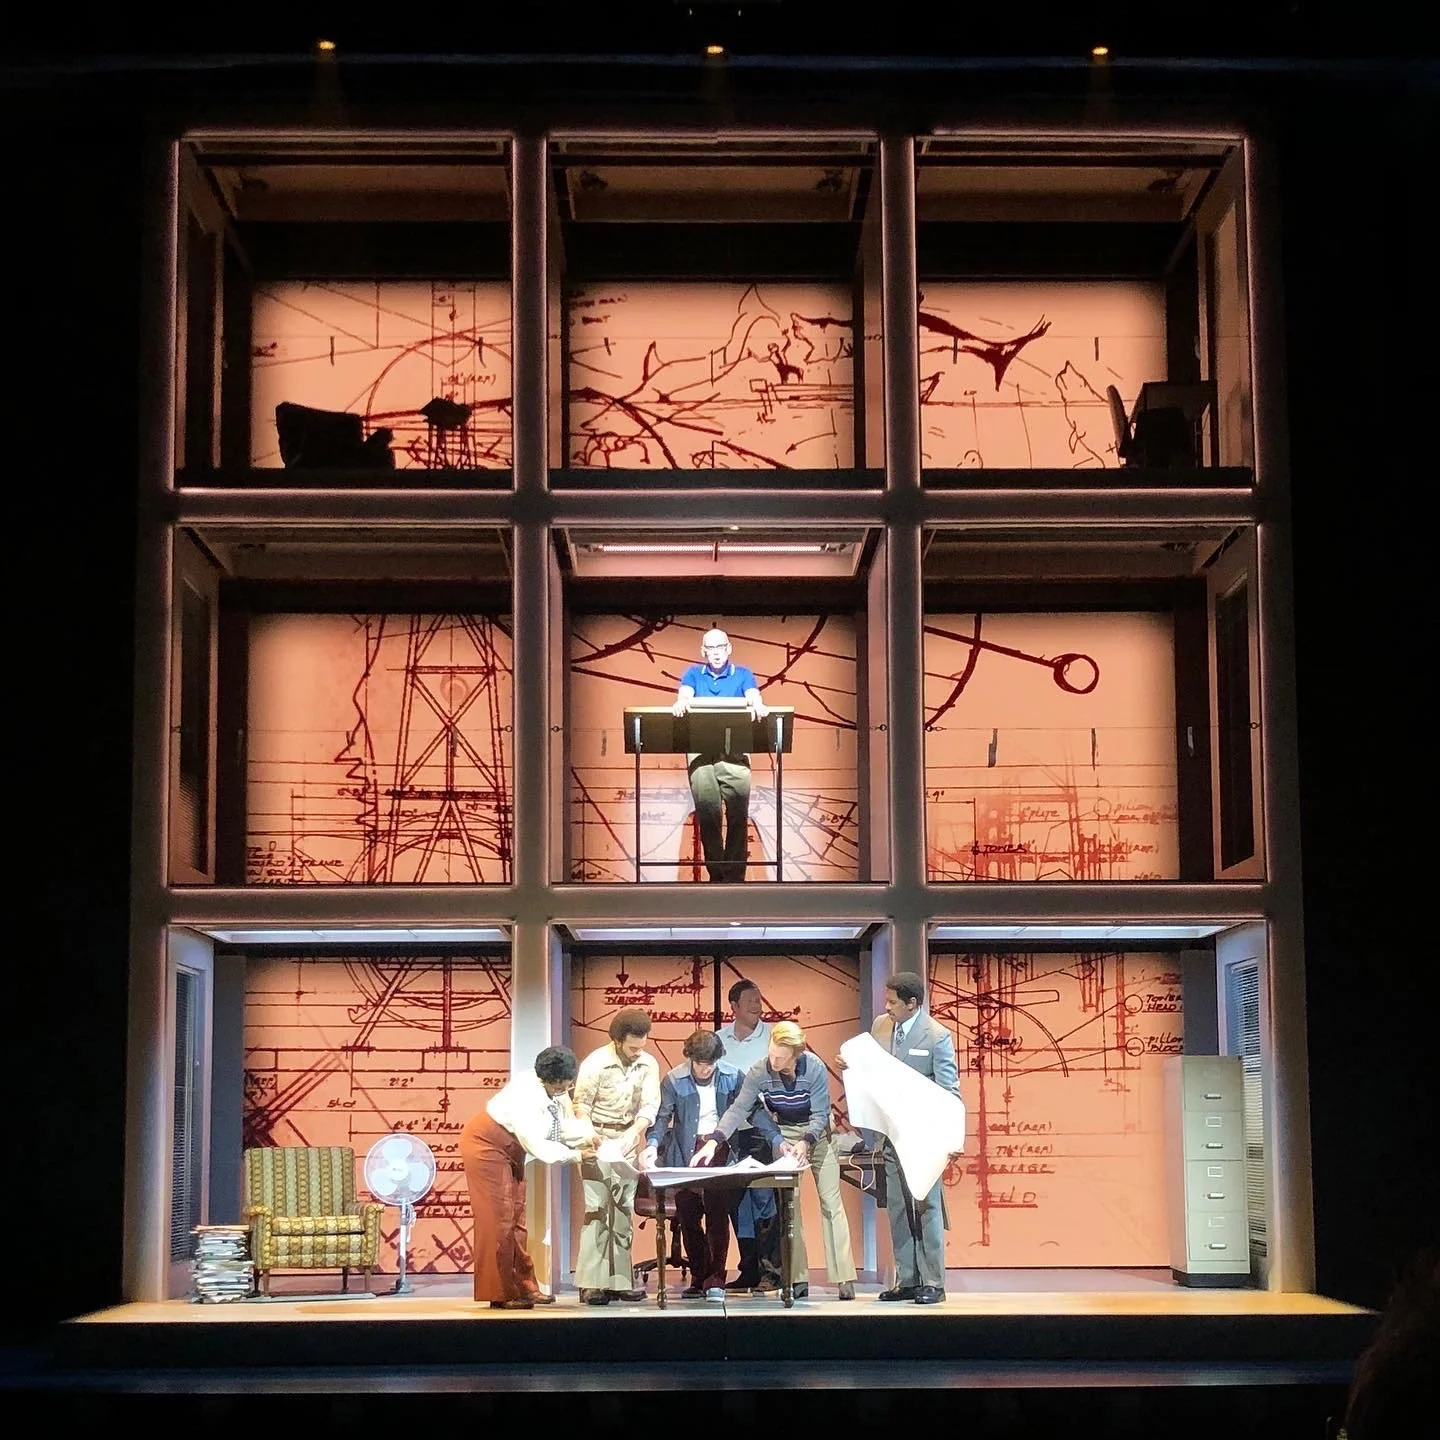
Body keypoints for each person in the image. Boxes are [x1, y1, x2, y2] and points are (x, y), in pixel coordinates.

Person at [692, 1020, 857, 1301]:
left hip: (818, 1134)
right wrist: (714, 1140)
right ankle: (797, 1277)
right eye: (772, 1054)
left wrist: (807, 1142)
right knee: (790, 1208)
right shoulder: (760, 1070)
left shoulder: (814, 1067)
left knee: (831, 1203)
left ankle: (843, 1277)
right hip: (785, 1135)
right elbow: (738, 1109)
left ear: (796, 1055)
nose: (774, 1061)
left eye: (781, 1057)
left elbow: (820, 1115)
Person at [842, 969, 961, 1306]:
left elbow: (949, 1090)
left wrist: (953, 1138)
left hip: (924, 1136)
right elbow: (873, 1070)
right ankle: (907, 1279)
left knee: (926, 1206)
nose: (887, 1007)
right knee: (897, 1207)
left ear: (912, 1003)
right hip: (891, 1134)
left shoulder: (936, 1036)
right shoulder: (881, 1026)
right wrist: (853, 1066)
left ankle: (933, 1282)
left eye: (893, 1002)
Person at [460, 1045, 595, 1309]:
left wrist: (589, 1137)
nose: (564, 1090)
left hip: (512, 1149)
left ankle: (524, 1286)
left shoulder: (555, 1091)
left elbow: (559, 1126)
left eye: (568, 1085)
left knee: (518, 1220)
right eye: (561, 1086)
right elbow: (536, 1142)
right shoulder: (526, 1095)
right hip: (486, 1145)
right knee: (498, 1220)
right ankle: (501, 1293)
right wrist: (576, 1155)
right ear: (547, 1079)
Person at [638, 1029, 758, 1300]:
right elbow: (662, 1117)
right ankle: (699, 1275)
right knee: (688, 1215)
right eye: (700, 1064)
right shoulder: (674, 1080)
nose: (705, 1069)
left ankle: (715, 1278)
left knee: (717, 1215)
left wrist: (776, 1139)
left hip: (719, 1149)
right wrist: (652, 1145)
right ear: (690, 1058)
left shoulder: (732, 1076)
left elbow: (748, 1110)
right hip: (684, 1151)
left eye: (710, 1064)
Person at [572, 1006, 662, 1306]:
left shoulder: (647, 1063)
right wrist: (590, 1135)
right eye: (632, 1047)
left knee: (622, 1213)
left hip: (626, 1141)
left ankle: (620, 1281)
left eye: (642, 1046)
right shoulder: (596, 1063)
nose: (638, 1052)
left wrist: (634, 1133)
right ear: (618, 1040)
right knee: (598, 1211)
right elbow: (581, 1105)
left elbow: (649, 1106)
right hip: (596, 1139)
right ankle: (592, 1283)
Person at [671, 627, 768, 882]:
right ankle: (717, 875)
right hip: (701, 752)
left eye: (721, 647)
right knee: (709, 814)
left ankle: (734, 877)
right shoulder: (693, 674)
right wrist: (681, 701)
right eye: (711, 648)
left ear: (729, 648)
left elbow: (753, 695)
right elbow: (685, 695)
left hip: (734, 751)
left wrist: (758, 704)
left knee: (737, 814)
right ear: (703, 651)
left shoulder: (743, 674)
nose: (716, 653)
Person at [714, 977, 784, 1293]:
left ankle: (772, 1272)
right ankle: (748, 1269)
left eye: (759, 999)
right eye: (751, 1000)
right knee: (738, 1205)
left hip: (763, 1130)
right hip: (730, 1132)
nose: (757, 1005)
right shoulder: (719, 1041)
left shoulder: (772, 1037)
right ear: (734, 1006)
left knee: (766, 1201)